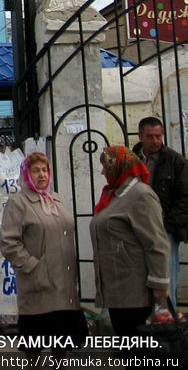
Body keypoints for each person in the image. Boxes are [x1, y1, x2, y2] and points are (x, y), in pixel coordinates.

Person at [0, 152, 87, 350]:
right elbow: (8, 242)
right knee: (35, 348)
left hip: (64, 287)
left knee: (61, 346)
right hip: (38, 287)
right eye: (36, 170)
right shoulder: (19, 202)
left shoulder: (56, 199)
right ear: (27, 174)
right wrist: (33, 266)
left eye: (45, 170)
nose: (42, 175)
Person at [90, 145, 169, 336]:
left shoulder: (141, 195)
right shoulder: (114, 195)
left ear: (119, 167)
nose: (102, 172)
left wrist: (160, 285)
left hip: (135, 291)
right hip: (118, 288)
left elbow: (156, 242)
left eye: (106, 167)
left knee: (140, 352)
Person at [132, 115, 188, 305]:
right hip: (137, 228)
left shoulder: (175, 161)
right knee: (140, 280)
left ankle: (168, 326)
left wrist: (167, 227)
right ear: (140, 136)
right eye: (150, 136)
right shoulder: (132, 159)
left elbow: (184, 199)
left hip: (165, 230)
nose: (155, 141)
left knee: (166, 280)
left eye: (159, 136)